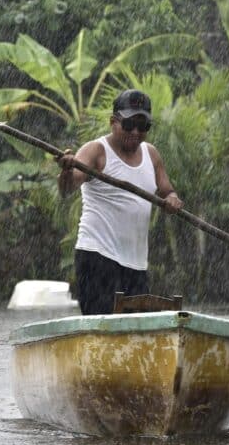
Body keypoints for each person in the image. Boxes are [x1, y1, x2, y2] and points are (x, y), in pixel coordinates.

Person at [56, 89, 184, 315]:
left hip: (136, 264)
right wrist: (67, 170)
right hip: (97, 257)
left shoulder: (151, 155)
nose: (135, 132)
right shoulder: (96, 151)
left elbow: (168, 191)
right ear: (113, 122)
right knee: (103, 327)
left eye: (143, 126)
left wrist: (172, 200)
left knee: (136, 332)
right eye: (129, 125)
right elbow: (68, 189)